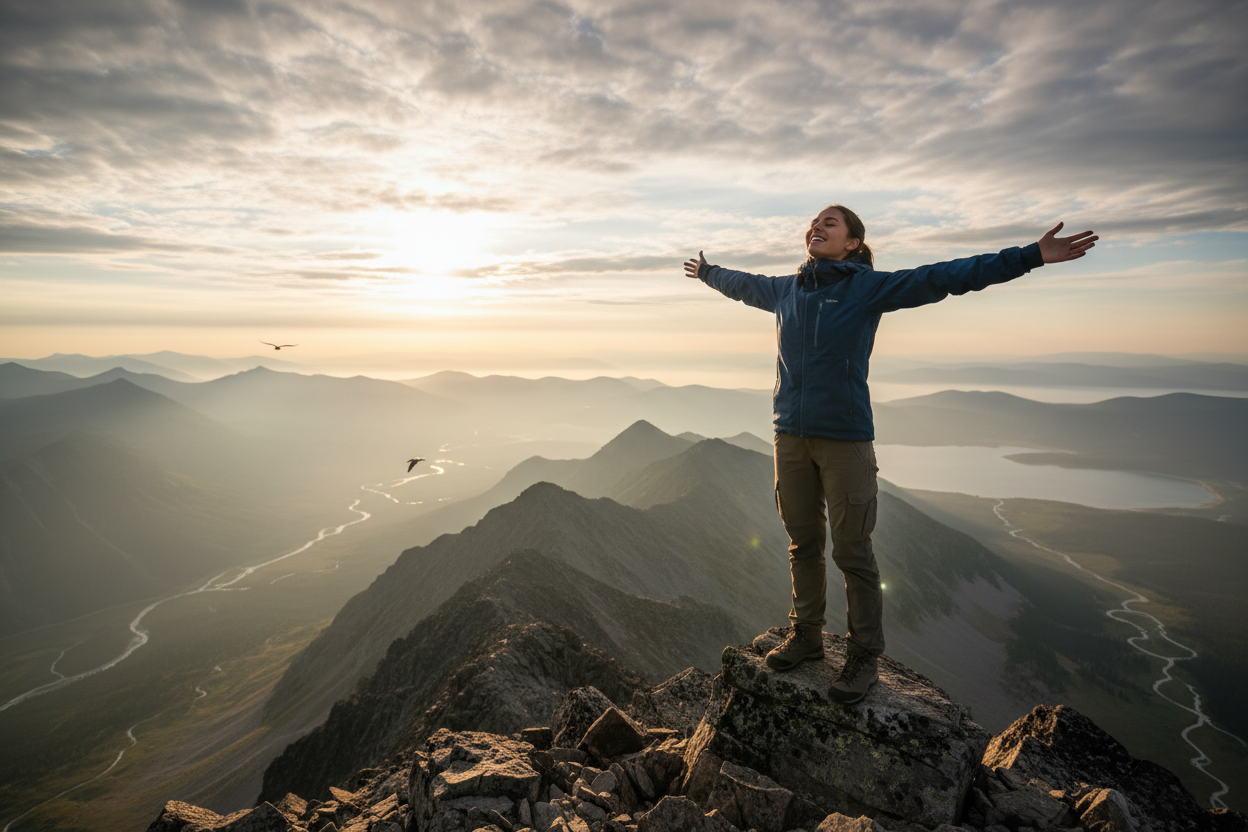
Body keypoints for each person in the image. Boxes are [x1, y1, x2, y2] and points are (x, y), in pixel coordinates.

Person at [684, 205, 1097, 703]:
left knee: (852, 550)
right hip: (789, 437)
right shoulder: (786, 290)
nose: (816, 227)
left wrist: (1030, 255)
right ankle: (807, 636)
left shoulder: (866, 288)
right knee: (802, 543)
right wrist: (708, 272)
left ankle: (862, 657)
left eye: (830, 223)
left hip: (846, 440)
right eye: (813, 222)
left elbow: (946, 276)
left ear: (853, 243)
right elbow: (742, 283)